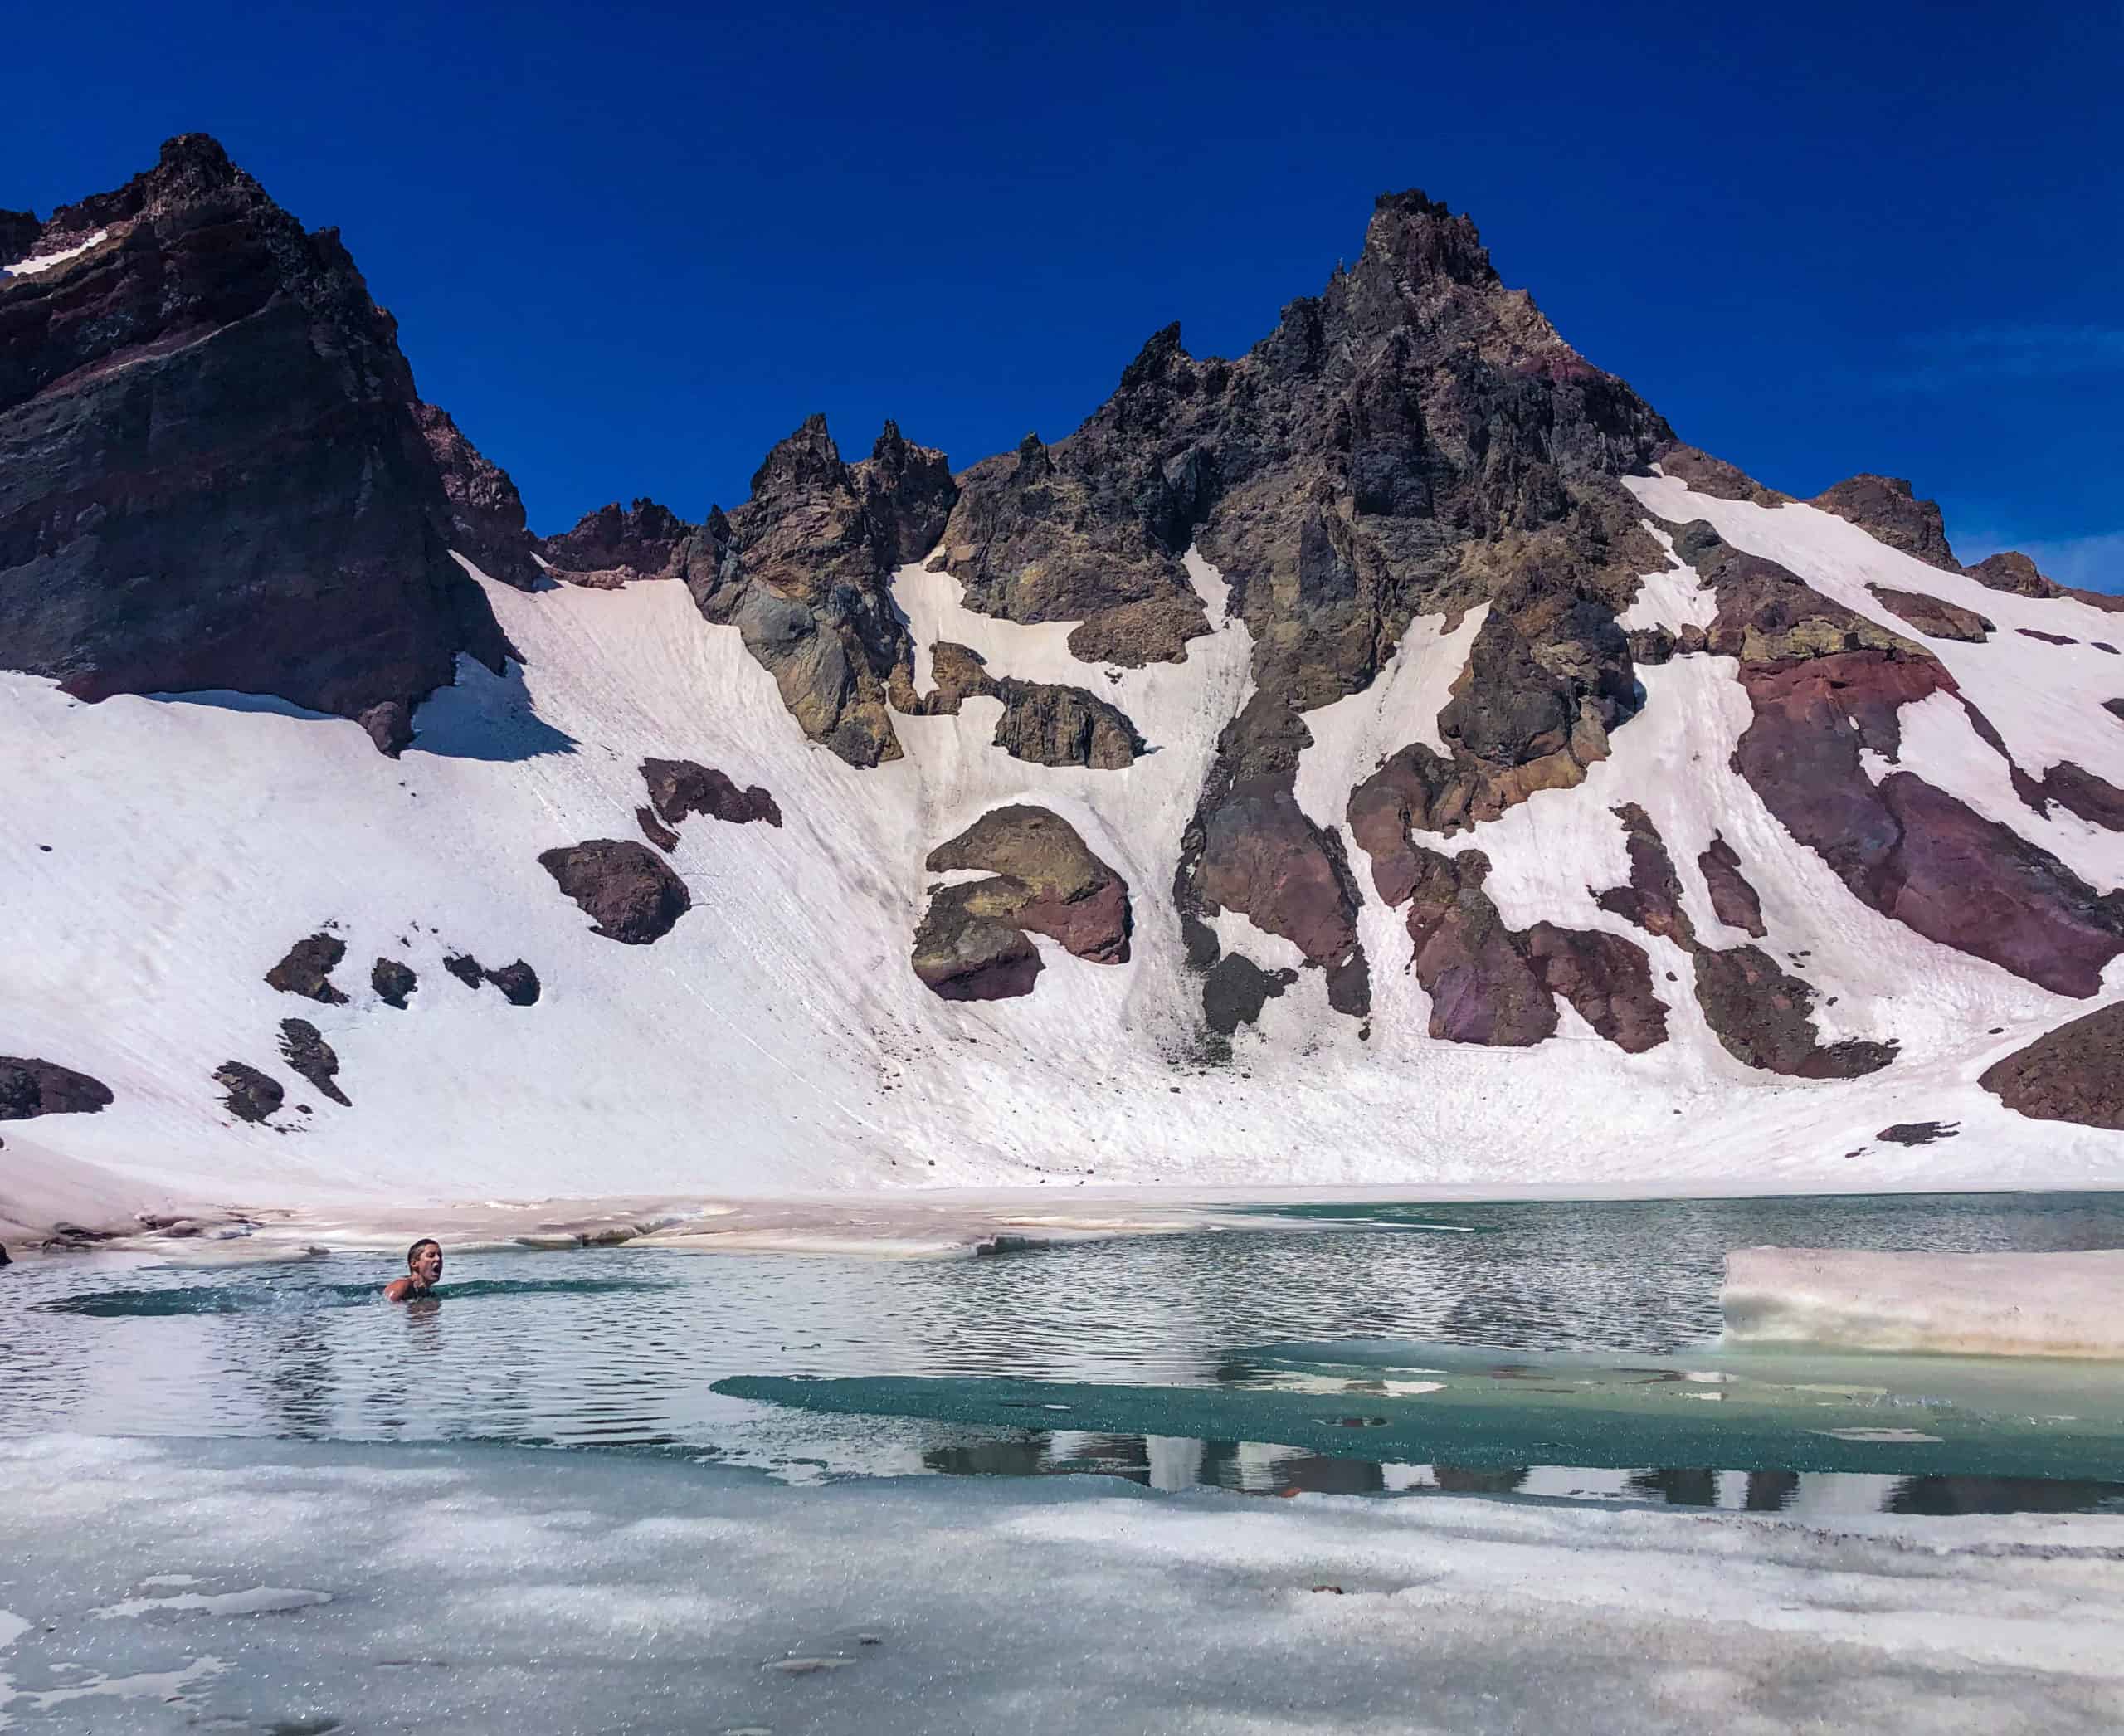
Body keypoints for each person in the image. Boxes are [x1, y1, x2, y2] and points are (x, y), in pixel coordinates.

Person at [384, 1237, 443, 1301]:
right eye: (431, 1256)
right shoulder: (402, 1285)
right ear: (414, 1263)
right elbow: (387, 1305)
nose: (438, 1259)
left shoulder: (428, 1294)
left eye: (440, 1256)